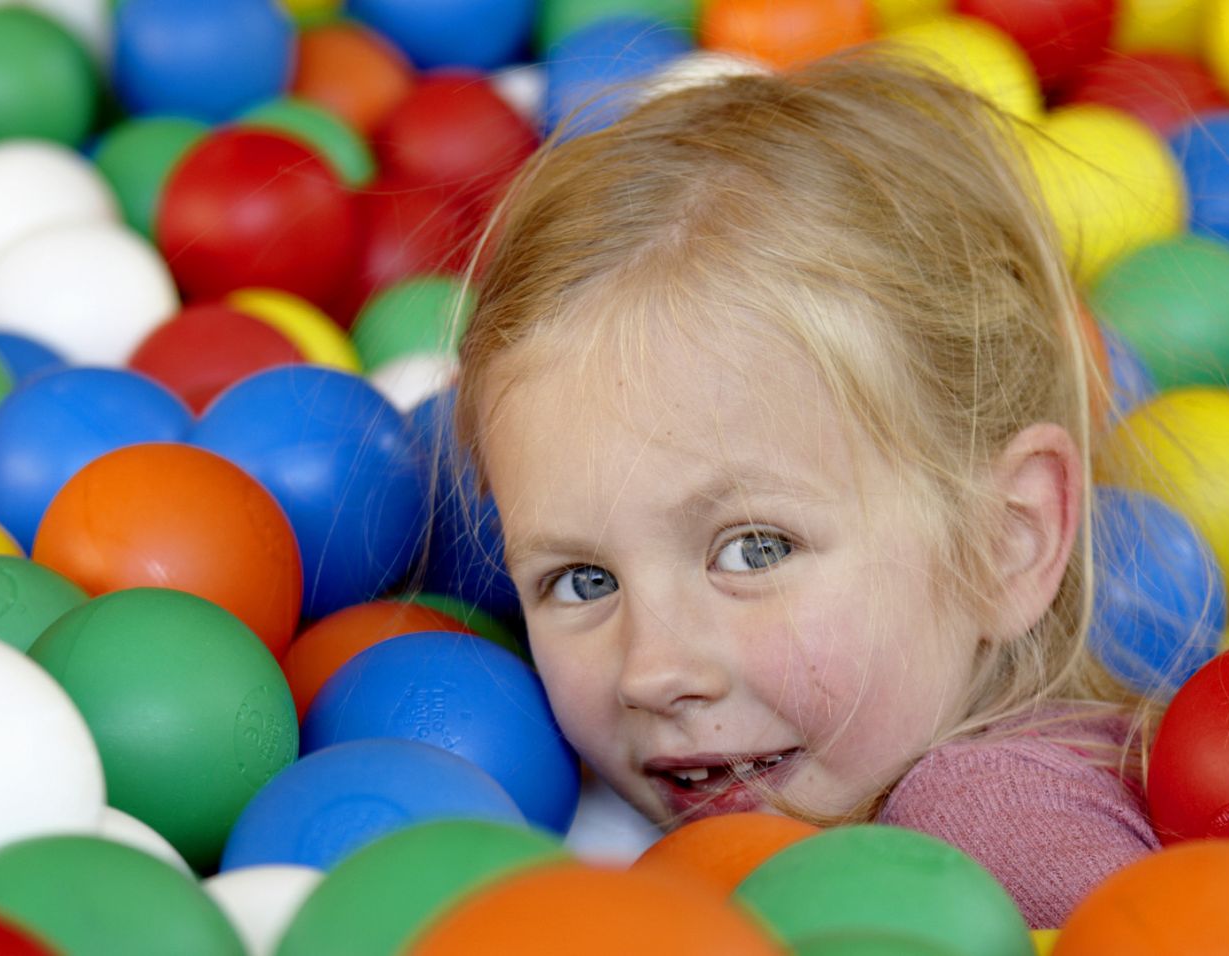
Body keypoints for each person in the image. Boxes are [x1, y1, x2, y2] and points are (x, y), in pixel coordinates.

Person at [447, 50, 1159, 929]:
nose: (654, 672)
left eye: (755, 550)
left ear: (1002, 542)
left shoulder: (982, 834)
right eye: (583, 581)